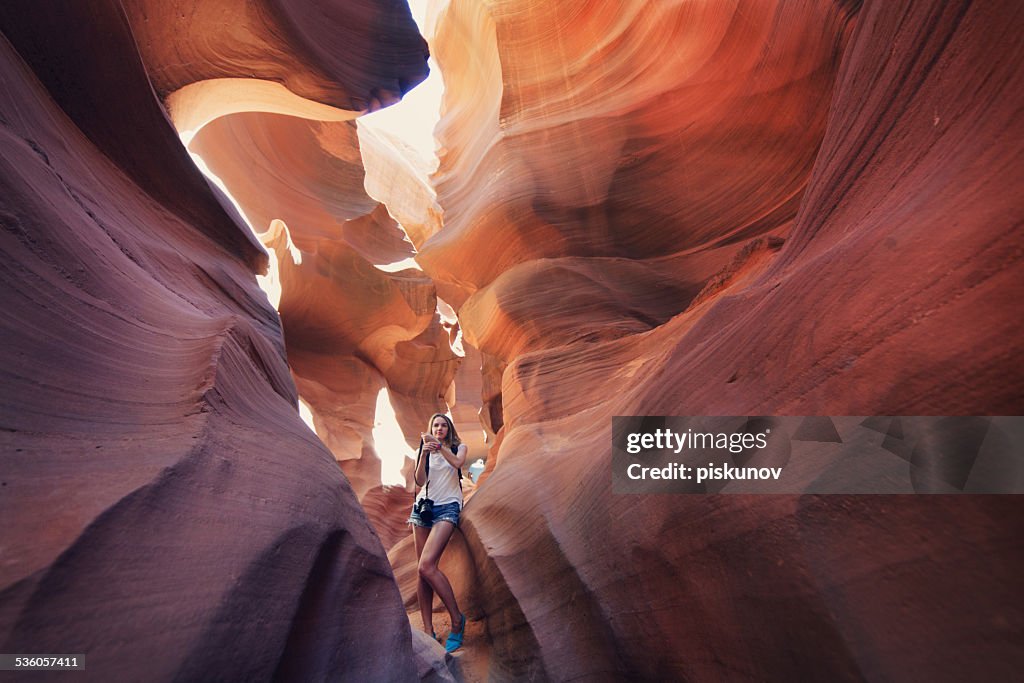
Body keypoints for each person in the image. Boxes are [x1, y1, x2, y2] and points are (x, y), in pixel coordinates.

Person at [408, 413, 468, 653]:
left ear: (449, 428)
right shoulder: (423, 451)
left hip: (448, 506)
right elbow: (419, 480)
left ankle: (456, 620)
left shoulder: (458, 447)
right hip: (423, 509)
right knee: (421, 572)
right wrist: (424, 452)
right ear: (430, 427)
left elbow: (457, 463)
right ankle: (428, 628)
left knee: (427, 565)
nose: (439, 428)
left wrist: (440, 447)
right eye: (436, 425)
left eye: (443, 425)